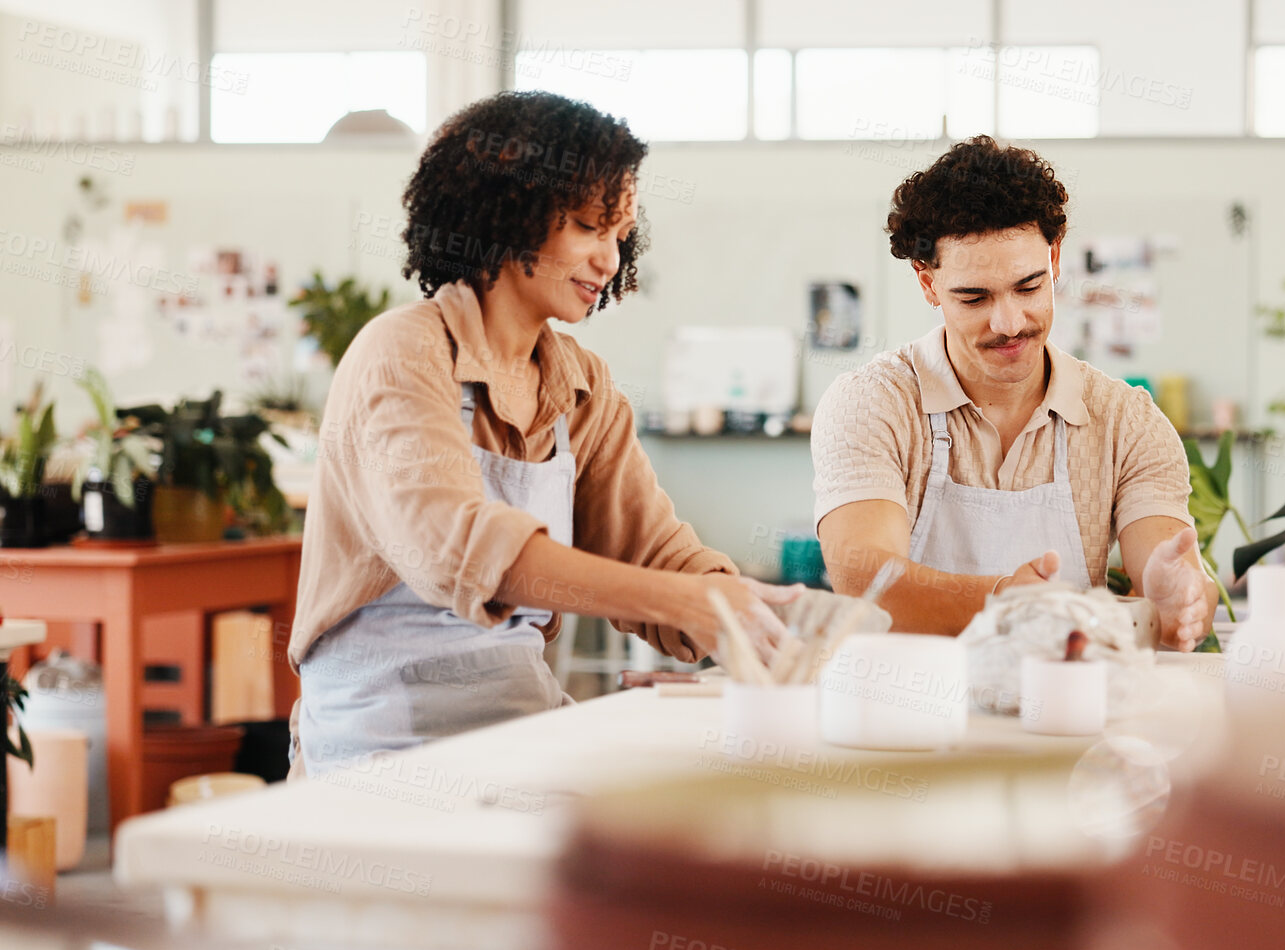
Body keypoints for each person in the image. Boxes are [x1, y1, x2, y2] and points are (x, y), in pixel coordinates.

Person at [289, 92, 797, 773]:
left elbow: (654, 553)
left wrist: (766, 611)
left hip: (522, 729)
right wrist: (682, 600)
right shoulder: (403, 351)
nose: (610, 260)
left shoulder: (580, 384)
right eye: (590, 226)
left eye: (621, 236)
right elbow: (454, 546)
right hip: (381, 747)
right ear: (510, 211)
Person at [812, 136, 1214, 650]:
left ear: (1055, 258)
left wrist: (1180, 599)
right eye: (974, 297)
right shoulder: (873, 405)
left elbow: (1171, 568)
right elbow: (866, 581)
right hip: (907, 712)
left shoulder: (1125, 420)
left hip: (1061, 713)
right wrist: (1005, 601)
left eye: (1029, 287)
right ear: (928, 282)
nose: (1009, 323)